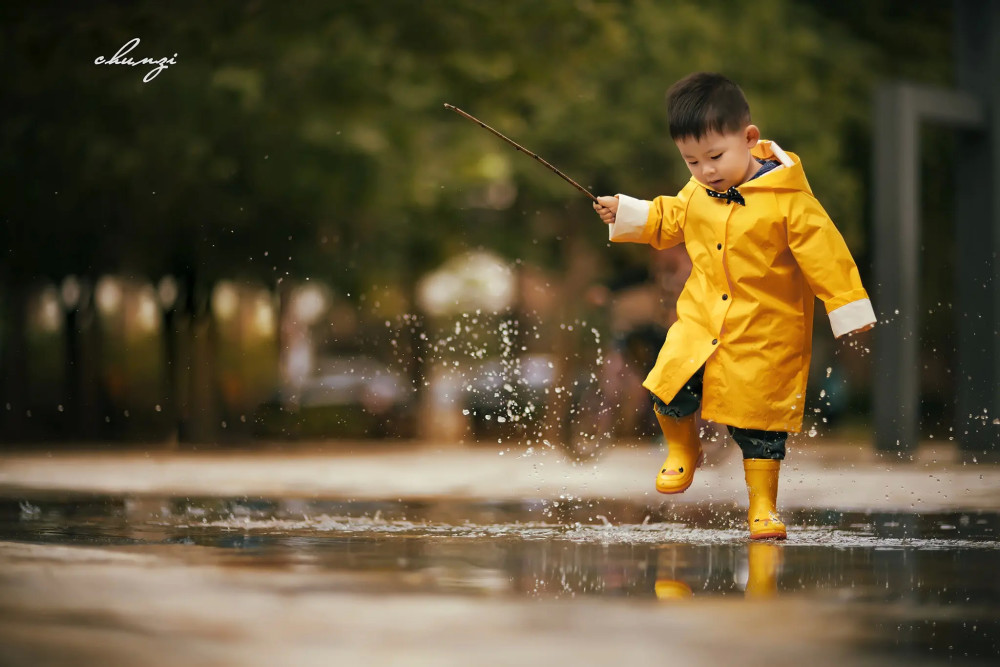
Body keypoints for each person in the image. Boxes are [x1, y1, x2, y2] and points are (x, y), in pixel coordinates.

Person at [593, 72, 875, 540]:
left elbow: (827, 255)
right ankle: (683, 451)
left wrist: (847, 306)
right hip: (702, 320)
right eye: (692, 161)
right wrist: (625, 211)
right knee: (668, 385)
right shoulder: (697, 193)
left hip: (765, 331)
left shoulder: (792, 203)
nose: (706, 170)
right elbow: (668, 218)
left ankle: (763, 506)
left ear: (749, 138)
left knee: (759, 427)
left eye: (716, 156)